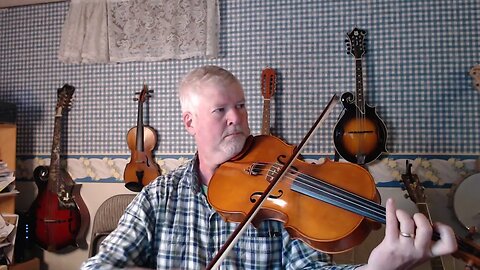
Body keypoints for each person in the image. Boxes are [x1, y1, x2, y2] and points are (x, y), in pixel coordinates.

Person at [81, 65, 457, 270]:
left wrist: (378, 269)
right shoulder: (159, 196)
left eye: (241, 106)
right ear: (190, 122)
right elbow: (102, 265)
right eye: (221, 110)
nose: (237, 119)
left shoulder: (280, 197)